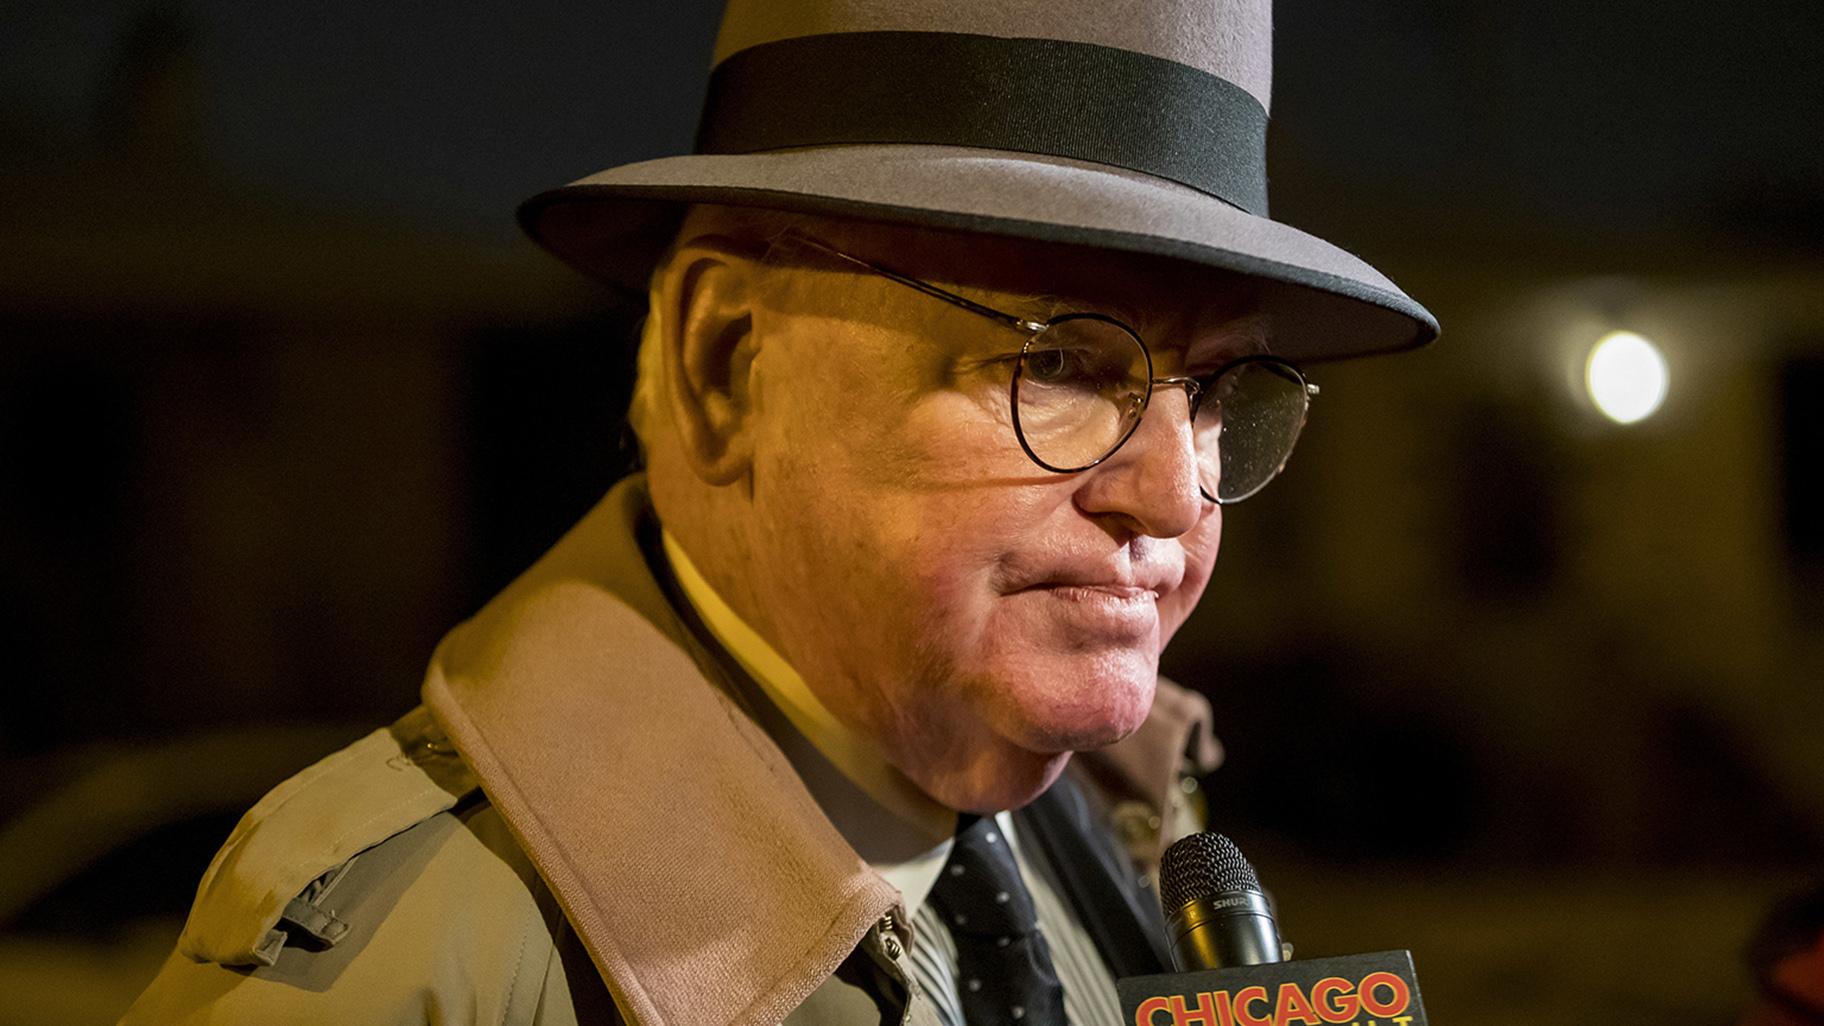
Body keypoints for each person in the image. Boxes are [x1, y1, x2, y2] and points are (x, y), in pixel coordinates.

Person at [122, 1, 1436, 1023]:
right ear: (725, 360)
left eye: (1214, 391)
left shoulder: (1125, 828)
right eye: (1059, 360)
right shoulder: (416, 969)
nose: (1170, 495)